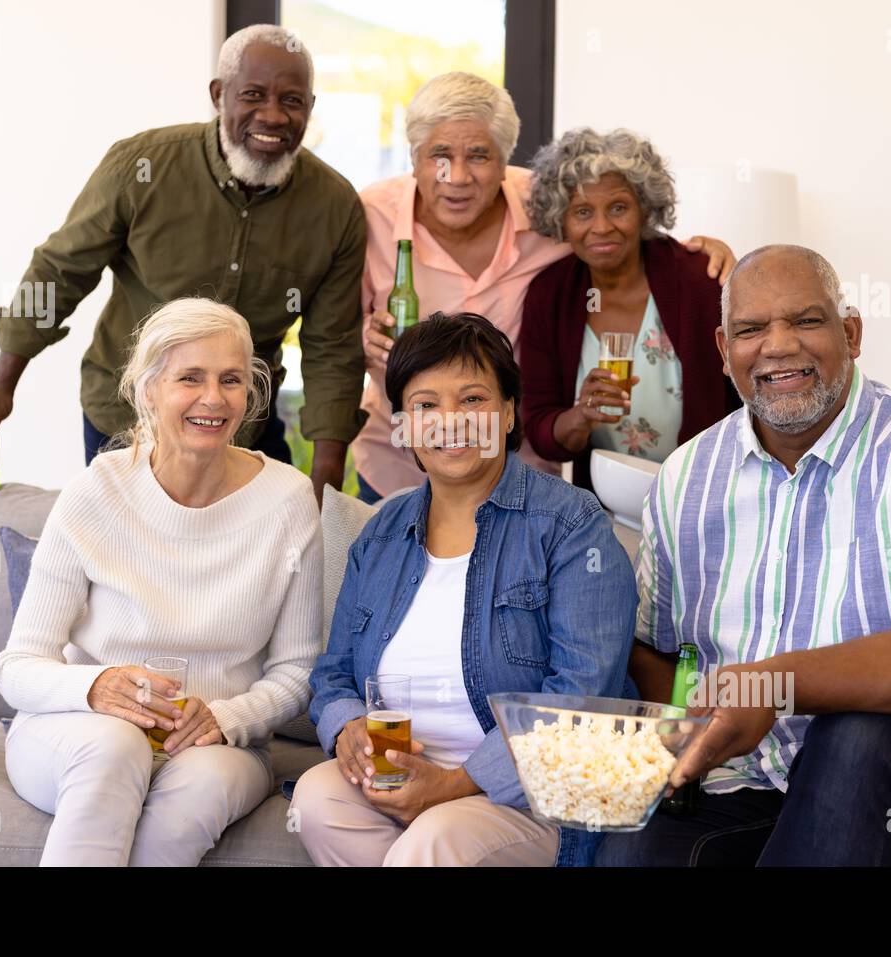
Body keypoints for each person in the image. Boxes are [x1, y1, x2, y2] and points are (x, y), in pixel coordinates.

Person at [597, 245, 891, 866]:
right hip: (754, 777)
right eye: (751, 329)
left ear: (852, 333)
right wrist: (699, 718)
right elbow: (658, 651)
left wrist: (773, 685)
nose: (778, 345)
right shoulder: (687, 475)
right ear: (722, 349)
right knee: (635, 849)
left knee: (854, 739)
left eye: (806, 321)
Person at [0, 24, 367, 503]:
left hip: (242, 427)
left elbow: (332, 347)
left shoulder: (335, 208)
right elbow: (60, 271)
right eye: (253, 95)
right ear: (219, 95)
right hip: (127, 420)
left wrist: (325, 485)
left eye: (291, 101)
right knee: (129, 568)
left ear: (310, 108)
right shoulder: (141, 165)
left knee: (249, 571)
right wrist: (4, 386)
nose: (272, 116)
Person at [292, 312, 638, 866]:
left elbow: (581, 698)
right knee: (315, 800)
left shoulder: (572, 525)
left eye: (473, 400)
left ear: (507, 414)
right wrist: (347, 727)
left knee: (433, 841)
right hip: (398, 778)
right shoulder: (381, 531)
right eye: (426, 405)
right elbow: (332, 673)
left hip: (529, 799)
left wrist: (453, 784)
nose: (450, 421)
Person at [0, 298, 322, 866]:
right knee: (115, 745)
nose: (213, 399)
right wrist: (94, 687)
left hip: (214, 745)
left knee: (200, 789)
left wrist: (226, 718)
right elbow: (17, 666)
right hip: (81, 732)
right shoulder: (96, 493)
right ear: (148, 390)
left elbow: (299, 670)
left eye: (231, 380)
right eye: (189, 378)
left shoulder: (289, 501)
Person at [350, 72, 736, 503]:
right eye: (440, 156)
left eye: (479, 156)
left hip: (518, 479)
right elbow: (331, 334)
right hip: (397, 466)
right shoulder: (370, 217)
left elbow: (618, 232)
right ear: (414, 157)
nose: (457, 177)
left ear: (504, 161)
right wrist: (359, 341)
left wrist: (706, 254)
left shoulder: (545, 201)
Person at [520, 128, 742, 490]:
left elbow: (747, 395)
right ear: (561, 219)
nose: (602, 227)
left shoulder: (698, 278)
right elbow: (544, 433)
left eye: (618, 208)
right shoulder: (549, 295)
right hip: (605, 510)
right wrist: (581, 416)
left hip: (704, 496)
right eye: (582, 212)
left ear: (644, 209)